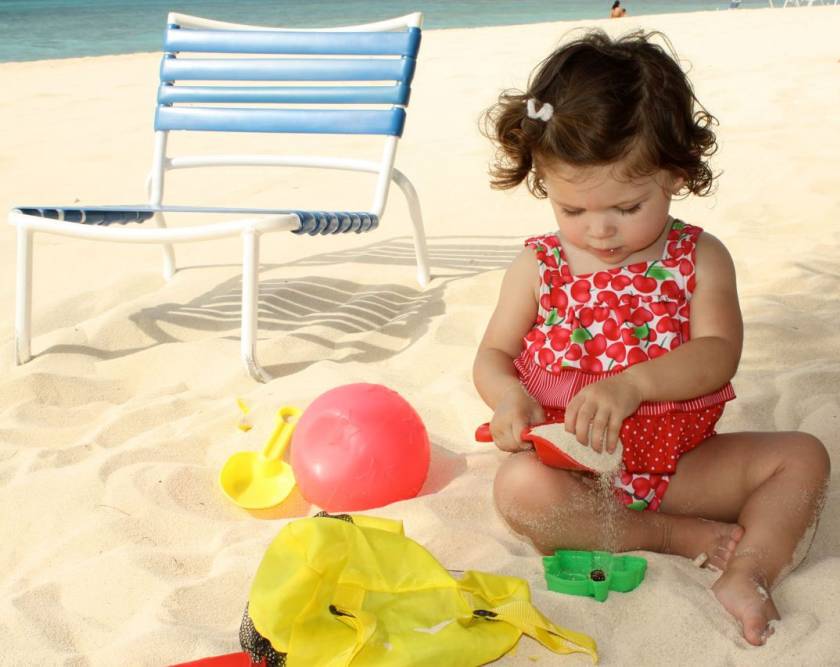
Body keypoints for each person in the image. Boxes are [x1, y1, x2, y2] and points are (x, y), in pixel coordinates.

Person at [474, 30, 829, 647]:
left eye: (627, 206)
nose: (600, 230)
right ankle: (669, 535)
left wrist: (634, 383)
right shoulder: (537, 267)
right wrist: (507, 396)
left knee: (803, 457)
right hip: (576, 473)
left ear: (674, 174)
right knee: (517, 489)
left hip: (681, 463)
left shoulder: (699, 258)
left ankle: (749, 572)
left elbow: (718, 354)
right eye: (572, 211)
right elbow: (492, 355)